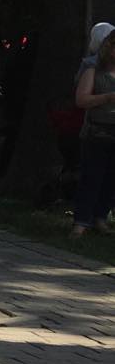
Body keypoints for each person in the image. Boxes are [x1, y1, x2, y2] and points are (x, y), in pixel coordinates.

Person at [71, 22, 115, 239]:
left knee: (111, 180)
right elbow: (81, 100)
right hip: (97, 132)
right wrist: (108, 97)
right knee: (92, 178)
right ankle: (81, 222)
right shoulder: (93, 69)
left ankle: (100, 217)